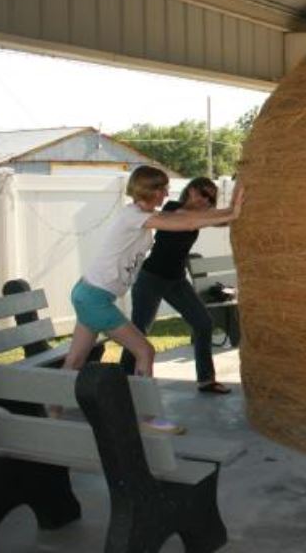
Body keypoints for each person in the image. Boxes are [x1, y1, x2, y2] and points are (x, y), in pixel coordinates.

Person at [61, 166, 243, 430]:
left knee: (75, 361)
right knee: (144, 350)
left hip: (87, 292)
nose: (167, 194)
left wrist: (232, 211)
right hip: (96, 298)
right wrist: (232, 212)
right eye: (162, 189)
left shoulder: (142, 215)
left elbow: (196, 218)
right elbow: (187, 222)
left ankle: (52, 409)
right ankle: (146, 418)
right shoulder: (135, 216)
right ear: (150, 190)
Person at [121, 177, 233, 394]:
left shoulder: (200, 217)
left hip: (176, 280)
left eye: (210, 198)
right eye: (203, 193)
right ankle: (123, 380)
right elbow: (193, 218)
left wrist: (239, 212)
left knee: (203, 323)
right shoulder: (172, 209)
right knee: (139, 331)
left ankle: (206, 380)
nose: (205, 200)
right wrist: (222, 214)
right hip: (151, 278)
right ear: (190, 190)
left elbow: (219, 220)